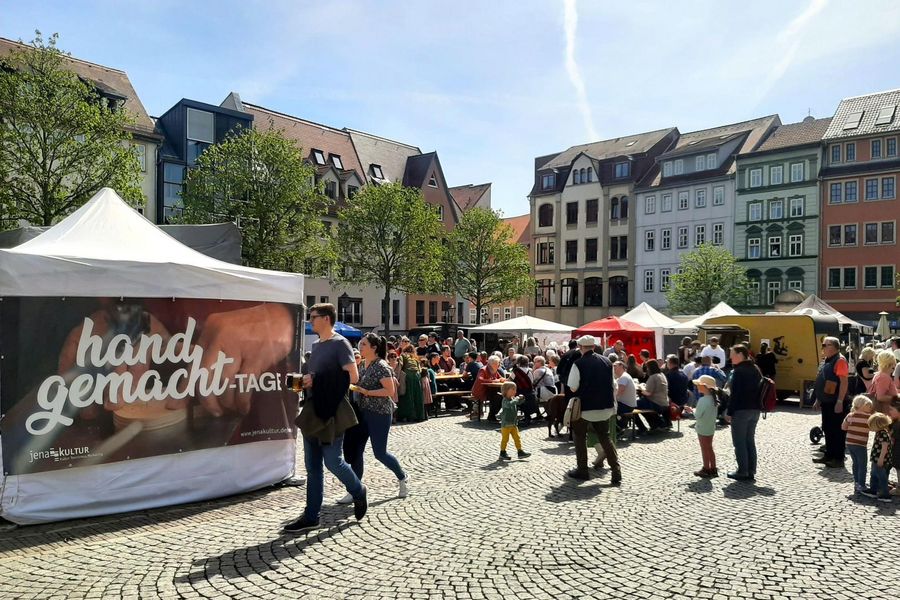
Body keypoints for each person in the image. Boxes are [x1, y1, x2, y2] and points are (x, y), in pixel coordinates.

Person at [285, 303, 366, 533]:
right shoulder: (317, 345)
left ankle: (359, 490)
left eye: (313, 317)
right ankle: (312, 516)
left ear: (327, 318)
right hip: (313, 408)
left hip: (333, 410)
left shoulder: (341, 343)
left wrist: (318, 379)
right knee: (312, 467)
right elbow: (317, 375)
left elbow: (354, 375)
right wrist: (306, 380)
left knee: (332, 461)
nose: (310, 320)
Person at [339, 334, 408, 505]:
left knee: (380, 453)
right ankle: (355, 489)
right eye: (360, 344)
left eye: (363, 344)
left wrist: (367, 392)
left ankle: (402, 477)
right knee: (356, 452)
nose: (360, 347)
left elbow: (390, 391)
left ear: (374, 348)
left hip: (379, 414)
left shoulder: (382, 366)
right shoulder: (362, 364)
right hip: (362, 413)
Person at [565, 335, 621, 484]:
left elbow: (573, 387)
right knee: (605, 438)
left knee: (579, 437)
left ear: (582, 348)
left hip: (586, 407)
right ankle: (616, 470)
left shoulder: (579, 363)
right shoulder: (608, 361)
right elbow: (612, 383)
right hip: (605, 406)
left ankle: (582, 470)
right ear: (594, 347)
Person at [725, 344, 763, 482]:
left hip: (741, 410)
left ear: (740, 355)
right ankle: (751, 470)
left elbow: (735, 394)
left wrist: (729, 412)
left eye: (732, 354)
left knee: (740, 442)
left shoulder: (739, 371)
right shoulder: (755, 368)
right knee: (749, 441)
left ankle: (742, 471)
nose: (730, 357)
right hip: (755, 409)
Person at [813, 337, 851, 468]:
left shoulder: (840, 361)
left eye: (825, 345)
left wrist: (840, 401)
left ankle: (838, 458)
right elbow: (823, 380)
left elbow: (844, 382)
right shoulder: (828, 360)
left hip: (835, 401)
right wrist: (819, 399)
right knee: (828, 428)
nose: (822, 347)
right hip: (827, 401)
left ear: (834, 347)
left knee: (837, 431)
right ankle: (829, 455)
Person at [841, 395, 874, 495]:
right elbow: (873, 428)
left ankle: (856, 482)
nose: (870, 408)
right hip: (861, 444)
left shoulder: (850, 415)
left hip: (850, 443)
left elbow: (843, 427)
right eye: (869, 406)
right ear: (862, 406)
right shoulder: (868, 418)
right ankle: (861, 484)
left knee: (855, 463)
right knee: (862, 465)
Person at [862, 412, 894, 502]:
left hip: (880, 460)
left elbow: (885, 447)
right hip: (878, 459)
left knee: (882, 477)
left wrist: (880, 459)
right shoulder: (881, 432)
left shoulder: (882, 434)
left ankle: (885, 494)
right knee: (874, 475)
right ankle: (874, 490)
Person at [692, 375, 720, 478]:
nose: (697, 386)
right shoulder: (713, 400)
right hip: (710, 427)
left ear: (705, 387)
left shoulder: (702, 400)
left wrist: (692, 410)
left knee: (704, 448)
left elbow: (697, 415)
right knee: (710, 447)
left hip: (702, 427)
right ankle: (713, 468)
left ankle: (706, 468)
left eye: (699, 385)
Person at [497, 382, 532, 460]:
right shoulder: (505, 400)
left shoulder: (513, 399)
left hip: (513, 423)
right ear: (506, 390)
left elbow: (518, 402)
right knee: (505, 439)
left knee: (517, 438)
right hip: (506, 424)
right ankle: (502, 452)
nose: (515, 391)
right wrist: (517, 399)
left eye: (515, 389)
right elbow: (510, 404)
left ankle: (520, 451)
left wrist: (521, 399)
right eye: (513, 389)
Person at [396, 346, 426, 422]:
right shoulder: (415, 358)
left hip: (408, 376)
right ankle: (420, 416)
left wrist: (397, 378)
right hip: (416, 376)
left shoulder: (403, 356)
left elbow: (400, 366)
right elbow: (419, 369)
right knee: (418, 396)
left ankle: (410, 416)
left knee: (408, 396)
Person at [637, 359, 669, 426]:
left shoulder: (653, 377)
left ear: (649, 368)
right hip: (664, 402)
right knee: (641, 404)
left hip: (656, 403)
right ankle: (657, 423)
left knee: (634, 405)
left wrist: (641, 388)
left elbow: (648, 393)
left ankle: (649, 426)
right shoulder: (662, 375)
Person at [473, 355, 504, 421]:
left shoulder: (495, 370)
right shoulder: (483, 370)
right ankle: (491, 416)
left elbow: (500, 378)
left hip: (490, 391)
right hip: (481, 391)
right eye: (498, 363)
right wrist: (492, 381)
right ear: (493, 364)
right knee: (497, 398)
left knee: (501, 397)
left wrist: (503, 379)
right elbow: (480, 379)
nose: (499, 364)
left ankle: (492, 415)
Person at [871, 350, 899, 416]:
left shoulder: (880, 375)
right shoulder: (884, 377)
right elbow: (880, 397)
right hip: (885, 412)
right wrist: (896, 398)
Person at [613, 361, 638, 430]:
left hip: (627, 405)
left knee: (609, 408)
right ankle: (620, 427)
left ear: (621, 366)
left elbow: (619, 392)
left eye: (615, 366)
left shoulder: (623, 377)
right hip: (628, 404)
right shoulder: (623, 376)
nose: (613, 367)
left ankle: (618, 429)